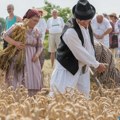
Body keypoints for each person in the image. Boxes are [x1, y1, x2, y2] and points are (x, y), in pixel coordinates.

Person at [50, 0, 106, 98]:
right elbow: (80, 53)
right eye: (81, 20)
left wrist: (93, 61)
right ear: (76, 17)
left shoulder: (88, 25)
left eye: (87, 20)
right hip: (67, 66)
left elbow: (88, 44)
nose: (84, 23)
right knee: (60, 95)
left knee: (85, 96)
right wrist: (96, 64)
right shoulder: (70, 31)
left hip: (83, 66)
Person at [3, 9, 43, 96]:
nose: (36, 23)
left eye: (37, 21)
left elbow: (40, 46)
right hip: (18, 57)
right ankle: (16, 96)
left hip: (32, 59)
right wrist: (15, 43)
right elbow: (5, 35)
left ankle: (30, 97)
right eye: (34, 20)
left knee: (33, 78)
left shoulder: (37, 31)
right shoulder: (18, 26)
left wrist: (37, 55)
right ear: (28, 18)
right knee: (17, 77)